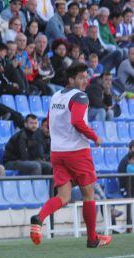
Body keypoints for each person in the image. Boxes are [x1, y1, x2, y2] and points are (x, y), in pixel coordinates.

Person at [30, 62, 112, 248]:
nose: (85, 81)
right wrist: (95, 137)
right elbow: (77, 122)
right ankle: (92, 238)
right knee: (88, 194)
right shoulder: (80, 97)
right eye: (81, 78)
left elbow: (50, 121)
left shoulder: (56, 96)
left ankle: (38, 217)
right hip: (77, 152)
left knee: (64, 196)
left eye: (86, 77)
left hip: (57, 152)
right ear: (71, 80)